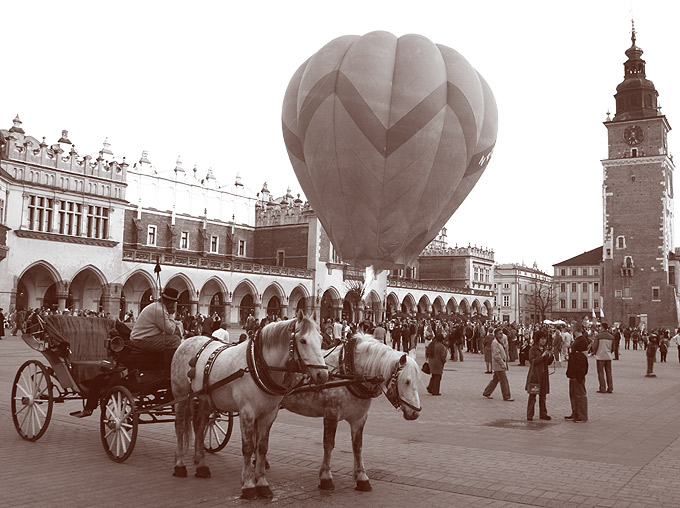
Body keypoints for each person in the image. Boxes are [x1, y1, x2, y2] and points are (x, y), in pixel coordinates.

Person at [130, 286, 183, 363]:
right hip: (141, 340)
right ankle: (169, 368)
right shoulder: (160, 310)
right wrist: (171, 314)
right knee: (175, 340)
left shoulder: (156, 306)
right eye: (174, 303)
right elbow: (170, 330)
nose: (174, 305)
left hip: (140, 338)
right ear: (170, 302)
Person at [525, 330, 554, 421]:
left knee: (543, 395)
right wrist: (542, 356)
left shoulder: (544, 349)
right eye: (542, 339)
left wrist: (551, 355)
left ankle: (543, 413)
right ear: (538, 339)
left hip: (544, 375)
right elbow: (532, 361)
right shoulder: (533, 349)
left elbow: (548, 363)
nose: (544, 341)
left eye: (545, 339)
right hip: (535, 375)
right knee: (533, 395)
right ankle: (530, 415)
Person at [482, 328, 514, 401]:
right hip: (498, 364)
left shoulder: (500, 341)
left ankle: (487, 392)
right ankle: (506, 396)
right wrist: (502, 364)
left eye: (502, 333)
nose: (501, 334)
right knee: (504, 380)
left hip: (500, 363)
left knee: (495, 379)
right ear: (496, 334)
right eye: (500, 333)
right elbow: (496, 355)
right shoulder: (495, 343)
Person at [565, 328, 589, 423]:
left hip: (578, 370)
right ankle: (575, 413)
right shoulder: (579, 340)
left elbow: (583, 358)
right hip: (574, 370)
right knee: (573, 393)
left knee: (579, 394)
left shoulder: (582, 341)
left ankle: (582, 415)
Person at [592, 322, 614, 393]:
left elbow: (595, 346)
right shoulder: (611, 337)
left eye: (600, 327)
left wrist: (594, 352)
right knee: (609, 372)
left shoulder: (598, 336)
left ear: (603, 327)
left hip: (600, 356)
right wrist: (609, 352)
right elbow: (613, 348)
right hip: (608, 356)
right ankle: (610, 388)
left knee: (600, 373)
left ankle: (602, 387)